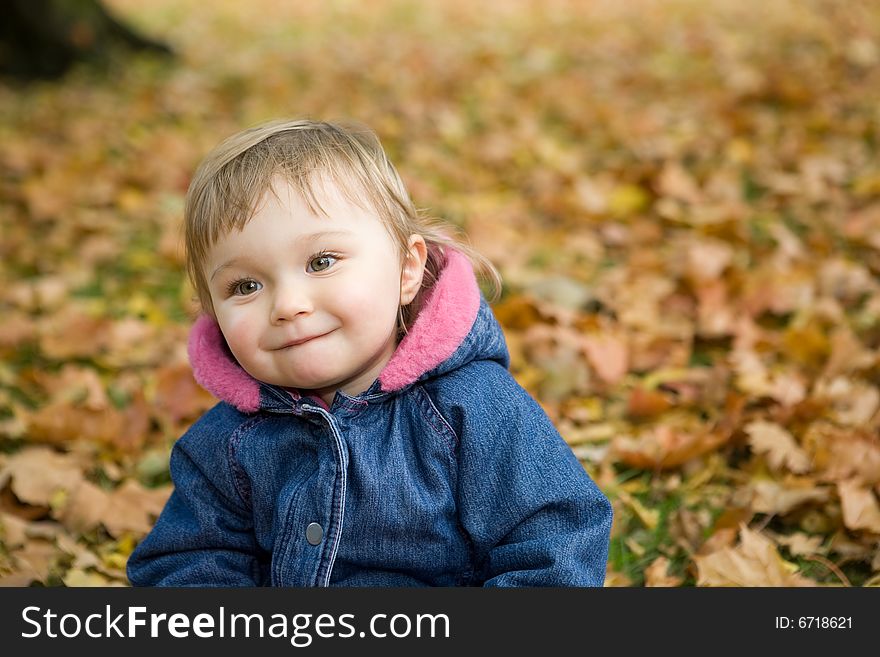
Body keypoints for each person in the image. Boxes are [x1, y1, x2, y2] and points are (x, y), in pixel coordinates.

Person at [126, 118, 612, 587]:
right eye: (246, 285)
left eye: (321, 261)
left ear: (406, 270)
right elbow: (188, 561)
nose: (289, 306)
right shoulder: (225, 443)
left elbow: (555, 543)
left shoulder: (475, 410)